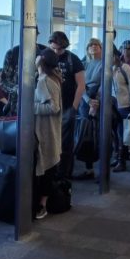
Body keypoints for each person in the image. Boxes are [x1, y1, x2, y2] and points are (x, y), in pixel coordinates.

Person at [48, 31, 85, 180]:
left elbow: (81, 85)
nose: (57, 52)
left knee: (65, 144)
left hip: (67, 106)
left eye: (59, 49)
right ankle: (51, 173)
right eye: (54, 49)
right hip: (50, 106)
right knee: (49, 141)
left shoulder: (73, 59)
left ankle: (63, 175)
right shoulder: (45, 56)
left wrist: (74, 108)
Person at [33, 49, 62, 220]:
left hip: (46, 129)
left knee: (47, 166)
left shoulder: (46, 80)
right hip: (46, 129)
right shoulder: (49, 77)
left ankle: (42, 204)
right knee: (47, 165)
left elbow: (53, 107)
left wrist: (31, 107)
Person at [0, 27, 47, 116]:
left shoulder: (45, 53)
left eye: (33, 35)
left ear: (36, 35)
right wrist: (17, 89)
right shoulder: (13, 53)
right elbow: (3, 81)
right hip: (17, 106)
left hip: (41, 105)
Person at [74, 38, 103, 180]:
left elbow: (105, 84)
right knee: (86, 135)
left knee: (99, 135)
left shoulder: (104, 63)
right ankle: (89, 169)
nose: (93, 47)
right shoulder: (83, 63)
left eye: (96, 44)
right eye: (90, 45)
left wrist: (96, 102)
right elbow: (80, 85)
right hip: (85, 102)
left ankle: (102, 171)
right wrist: (87, 100)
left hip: (99, 101)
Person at [112, 49, 130, 172]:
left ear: (117, 55)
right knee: (118, 135)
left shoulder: (125, 67)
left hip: (125, 105)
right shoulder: (109, 68)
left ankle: (124, 160)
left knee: (127, 135)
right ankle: (119, 158)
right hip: (113, 105)